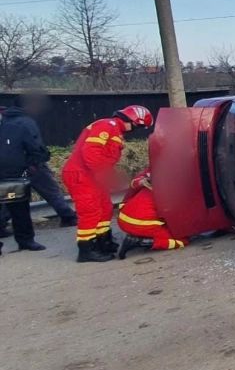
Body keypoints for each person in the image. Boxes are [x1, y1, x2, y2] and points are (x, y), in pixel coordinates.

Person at [62, 105, 153, 263]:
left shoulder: (114, 130)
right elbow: (91, 151)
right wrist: (102, 174)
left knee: (105, 208)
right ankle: (86, 249)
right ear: (132, 120)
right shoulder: (107, 126)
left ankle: (103, 241)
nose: (135, 130)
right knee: (90, 211)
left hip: (91, 175)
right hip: (82, 175)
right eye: (137, 126)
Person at [0, 95, 77, 238]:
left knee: (11, 196)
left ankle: (1, 225)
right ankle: (68, 216)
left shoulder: (5, 121)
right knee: (51, 191)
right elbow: (35, 145)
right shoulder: (25, 122)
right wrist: (38, 161)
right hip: (31, 165)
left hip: (10, 168)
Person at [0, 95, 50, 253]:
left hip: (12, 171)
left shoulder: (14, 124)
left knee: (18, 208)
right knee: (19, 209)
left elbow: (35, 148)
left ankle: (25, 240)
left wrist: (32, 164)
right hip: (12, 172)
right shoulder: (21, 123)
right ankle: (25, 240)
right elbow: (35, 147)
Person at [117, 170, 186, 259]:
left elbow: (134, 184)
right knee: (181, 240)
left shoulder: (156, 173)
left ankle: (140, 235)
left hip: (123, 218)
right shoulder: (177, 187)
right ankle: (140, 241)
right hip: (139, 223)